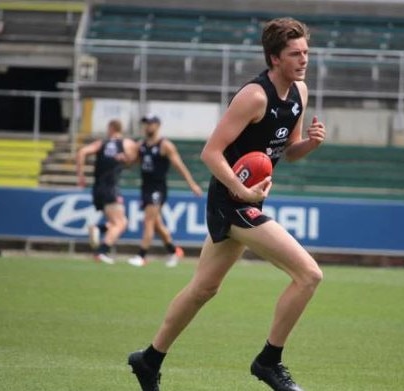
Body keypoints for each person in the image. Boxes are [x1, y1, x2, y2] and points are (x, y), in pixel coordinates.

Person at [127, 17, 326, 391]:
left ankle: (149, 359)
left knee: (204, 288)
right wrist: (243, 191)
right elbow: (211, 153)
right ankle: (269, 362)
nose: (303, 60)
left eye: (306, 53)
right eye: (294, 54)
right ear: (273, 58)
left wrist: (310, 144)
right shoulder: (254, 96)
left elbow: (289, 150)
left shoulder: (299, 91)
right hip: (231, 201)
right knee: (309, 275)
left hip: (245, 199)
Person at [127, 114, 203, 268]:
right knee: (156, 223)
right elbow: (133, 163)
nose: (147, 126)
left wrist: (192, 184)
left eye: (150, 123)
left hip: (158, 188)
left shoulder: (164, 145)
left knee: (148, 220)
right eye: (146, 123)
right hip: (145, 187)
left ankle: (141, 255)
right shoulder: (140, 145)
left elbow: (179, 166)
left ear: (157, 125)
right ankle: (174, 251)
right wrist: (125, 158)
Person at [76, 119, 136, 264]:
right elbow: (133, 160)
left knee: (116, 222)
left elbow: (82, 152)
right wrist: (126, 159)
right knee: (121, 223)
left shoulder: (101, 143)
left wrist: (81, 176)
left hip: (98, 188)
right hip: (111, 188)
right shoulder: (125, 144)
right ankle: (101, 252)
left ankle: (98, 228)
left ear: (111, 128)